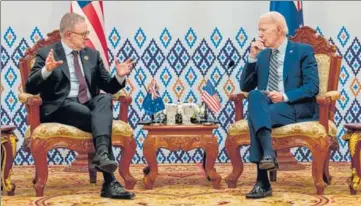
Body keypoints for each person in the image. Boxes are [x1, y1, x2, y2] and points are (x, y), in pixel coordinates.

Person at [25, 12, 135, 199]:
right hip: (59, 107)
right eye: (83, 34)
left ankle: (101, 156)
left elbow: (108, 86)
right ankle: (110, 182)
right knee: (101, 120)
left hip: (87, 105)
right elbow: (30, 86)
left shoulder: (92, 55)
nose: (87, 37)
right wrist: (46, 70)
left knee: (104, 100)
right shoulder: (46, 54)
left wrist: (120, 75)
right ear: (68, 35)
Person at [240, 11, 319, 198]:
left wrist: (284, 96)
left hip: (295, 107)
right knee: (254, 95)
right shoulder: (262, 55)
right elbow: (245, 86)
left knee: (255, 116)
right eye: (258, 30)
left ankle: (263, 181)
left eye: (263, 30)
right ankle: (268, 155)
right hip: (267, 107)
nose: (259, 35)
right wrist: (252, 57)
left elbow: (312, 87)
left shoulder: (303, 51)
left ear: (278, 29)